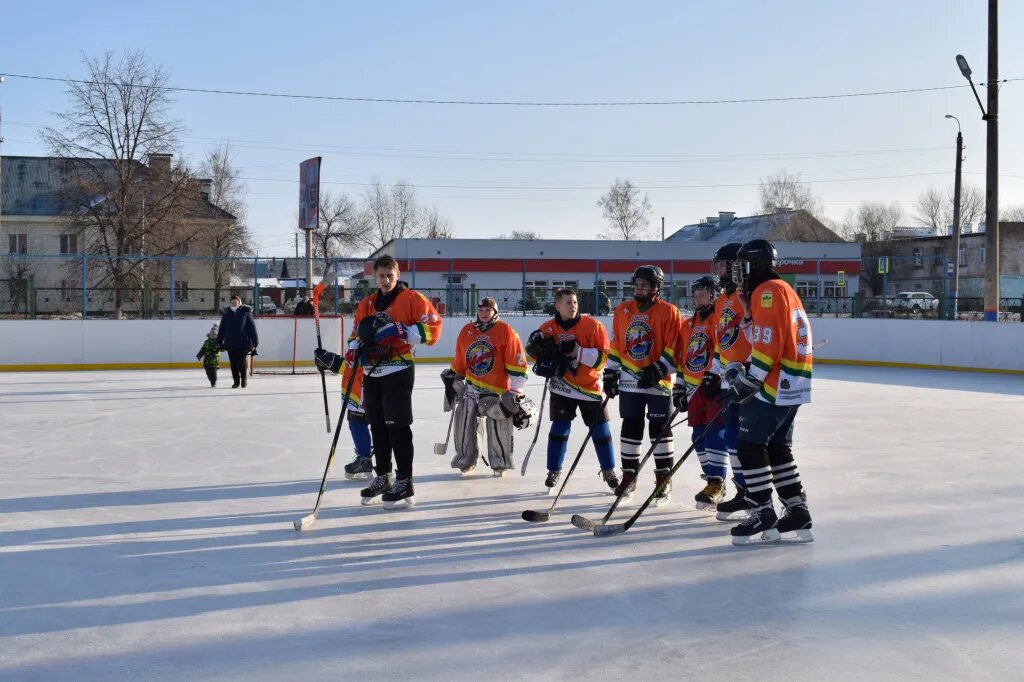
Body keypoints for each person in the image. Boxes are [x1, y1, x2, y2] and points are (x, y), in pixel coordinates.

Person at [314, 255, 442, 510]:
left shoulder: (412, 299)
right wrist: (352, 349)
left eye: (390, 276)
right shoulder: (367, 304)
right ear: (375, 276)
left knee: (398, 428)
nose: (386, 280)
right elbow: (355, 335)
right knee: (378, 428)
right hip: (372, 372)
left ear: (397, 275)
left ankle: (405, 480)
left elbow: (434, 328)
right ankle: (383, 476)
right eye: (381, 276)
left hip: (398, 369)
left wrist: (402, 330)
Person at [727, 238, 814, 545]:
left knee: (749, 444)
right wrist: (748, 312)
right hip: (794, 380)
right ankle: (797, 510)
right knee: (777, 446)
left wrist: (751, 379)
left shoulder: (767, 291)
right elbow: (763, 333)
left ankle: (762, 509)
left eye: (743, 266)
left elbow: (768, 343)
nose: (739, 273)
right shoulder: (781, 289)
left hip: (776, 382)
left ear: (757, 264)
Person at [526, 287, 617, 493]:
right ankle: (553, 471)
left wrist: (579, 352)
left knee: (602, 432)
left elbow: (604, 357)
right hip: (562, 388)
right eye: (568, 302)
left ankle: (609, 471)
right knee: (559, 430)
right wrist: (540, 353)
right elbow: (537, 358)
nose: (573, 306)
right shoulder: (547, 328)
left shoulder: (593, 325)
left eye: (575, 302)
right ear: (557, 305)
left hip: (590, 388)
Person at [605, 265, 681, 506]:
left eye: (645, 284)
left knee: (659, 428)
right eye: (637, 283)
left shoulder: (669, 311)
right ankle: (629, 474)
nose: (640, 287)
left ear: (656, 287)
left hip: (658, 381)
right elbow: (617, 344)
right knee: (631, 425)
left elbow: (675, 346)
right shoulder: (622, 310)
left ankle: (663, 477)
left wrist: (659, 369)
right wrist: (610, 372)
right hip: (630, 380)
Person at [441, 297, 533, 477]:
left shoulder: (505, 331)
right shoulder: (467, 330)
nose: (484, 314)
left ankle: (500, 462)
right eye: (481, 310)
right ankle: (465, 458)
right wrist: (453, 378)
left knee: (498, 427)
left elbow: (517, 362)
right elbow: (460, 359)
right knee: (464, 420)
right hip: (472, 388)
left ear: (495, 312)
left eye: (488, 310)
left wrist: (516, 390)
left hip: (497, 391)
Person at [704, 242, 754, 521]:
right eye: (718, 265)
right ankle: (741, 490)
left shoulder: (748, 296)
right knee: (732, 437)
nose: (718, 270)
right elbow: (721, 343)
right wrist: (712, 371)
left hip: (748, 378)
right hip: (728, 378)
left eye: (722, 264)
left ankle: (754, 492)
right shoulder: (722, 300)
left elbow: (756, 336)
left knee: (747, 439)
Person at [674, 275, 730, 510]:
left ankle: (717, 481)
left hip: (715, 385)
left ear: (715, 294)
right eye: (696, 293)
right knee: (698, 436)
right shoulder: (687, 324)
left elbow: (727, 349)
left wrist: (720, 376)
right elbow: (683, 358)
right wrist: (678, 385)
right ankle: (711, 480)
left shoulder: (721, 319)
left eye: (704, 292)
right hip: (693, 388)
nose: (698, 297)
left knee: (715, 433)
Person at [339, 357, 374, 480]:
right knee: (360, 418)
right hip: (367, 380)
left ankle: (365, 459)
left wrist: (333, 362)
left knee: (357, 418)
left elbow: (357, 360)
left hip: (365, 382)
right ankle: (383, 464)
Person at [218, 294, 259, 388]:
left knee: (241, 361)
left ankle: (244, 379)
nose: (233, 304)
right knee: (233, 363)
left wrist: (255, 342)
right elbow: (222, 328)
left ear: (239, 302)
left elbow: (252, 327)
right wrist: (219, 342)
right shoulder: (226, 313)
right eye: (232, 302)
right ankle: (236, 381)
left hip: (243, 342)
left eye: (235, 302)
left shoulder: (245, 312)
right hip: (230, 343)